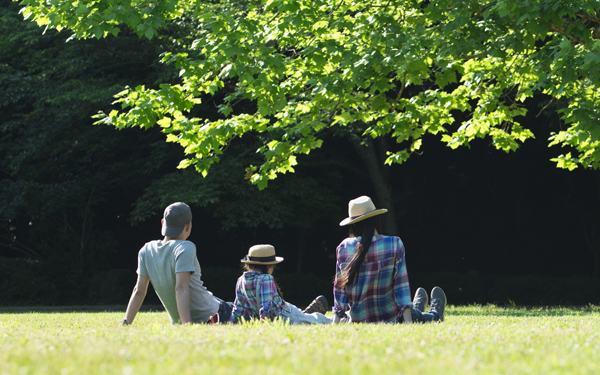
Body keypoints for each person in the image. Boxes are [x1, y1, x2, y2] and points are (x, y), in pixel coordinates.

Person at [332, 196, 447, 324]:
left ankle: (417, 307)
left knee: (413, 314)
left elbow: (339, 291)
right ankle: (435, 313)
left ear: (353, 224)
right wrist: (409, 323)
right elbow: (401, 286)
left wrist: (335, 322)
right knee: (419, 316)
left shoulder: (344, 247)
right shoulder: (394, 243)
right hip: (391, 318)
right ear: (376, 219)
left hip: (357, 320)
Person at [122, 202, 232, 325]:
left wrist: (126, 323)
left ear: (163, 223)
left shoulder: (146, 250)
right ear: (188, 226)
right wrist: (187, 325)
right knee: (247, 311)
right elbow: (180, 287)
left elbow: (139, 291)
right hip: (214, 315)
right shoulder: (185, 247)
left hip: (214, 306)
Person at [229, 244, 332, 325]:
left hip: (284, 313)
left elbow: (238, 308)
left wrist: (232, 324)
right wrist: (266, 324)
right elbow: (266, 307)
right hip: (286, 316)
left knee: (309, 319)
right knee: (315, 320)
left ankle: (328, 318)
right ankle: (337, 319)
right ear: (269, 266)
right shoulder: (266, 279)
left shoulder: (241, 280)